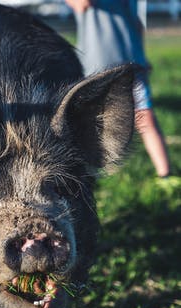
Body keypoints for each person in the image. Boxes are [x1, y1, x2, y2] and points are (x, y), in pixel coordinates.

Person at [66, 0, 172, 178]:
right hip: (96, 67)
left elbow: (136, 23)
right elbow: (82, 4)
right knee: (97, 122)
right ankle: (105, 170)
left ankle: (166, 174)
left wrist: (141, 56)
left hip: (130, 63)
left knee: (145, 117)